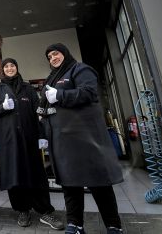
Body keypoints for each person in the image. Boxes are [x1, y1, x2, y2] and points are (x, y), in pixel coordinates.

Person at [38, 43, 124, 234]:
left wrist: (59, 95)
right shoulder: (52, 79)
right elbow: (46, 110)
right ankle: (75, 224)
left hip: (86, 140)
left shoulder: (80, 69)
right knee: (70, 185)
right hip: (63, 142)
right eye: (49, 57)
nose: (53, 58)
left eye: (56, 54)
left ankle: (113, 226)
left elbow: (89, 93)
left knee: (99, 183)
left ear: (65, 54)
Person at [0, 58, 64, 230]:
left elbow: (38, 111)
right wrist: (2, 107)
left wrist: (42, 134)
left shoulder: (27, 88)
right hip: (8, 141)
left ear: (16, 68)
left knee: (37, 175)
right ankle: (22, 210)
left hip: (29, 140)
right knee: (15, 175)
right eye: (6, 66)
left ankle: (45, 211)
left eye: (12, 66)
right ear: (2, 70)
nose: (9, 68)